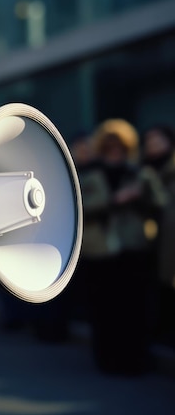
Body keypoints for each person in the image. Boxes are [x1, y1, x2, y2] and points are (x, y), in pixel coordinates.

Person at [83, 119, 167, 376]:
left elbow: (161, 205)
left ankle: (135, 360)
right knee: (105, 309)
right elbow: (79, 210)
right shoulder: (89, 174)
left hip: (134, 249)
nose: (115, 148)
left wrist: (141, 194)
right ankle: (107, 360)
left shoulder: (140, 172)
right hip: (101, 252)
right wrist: (114, 200)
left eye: (120, 144)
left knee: (134, 309)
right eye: (109, 144)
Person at [141, 124, 175, 349]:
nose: (153, 147)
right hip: (152, 242)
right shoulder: (144, 171)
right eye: (149, 143)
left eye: (158, 141)